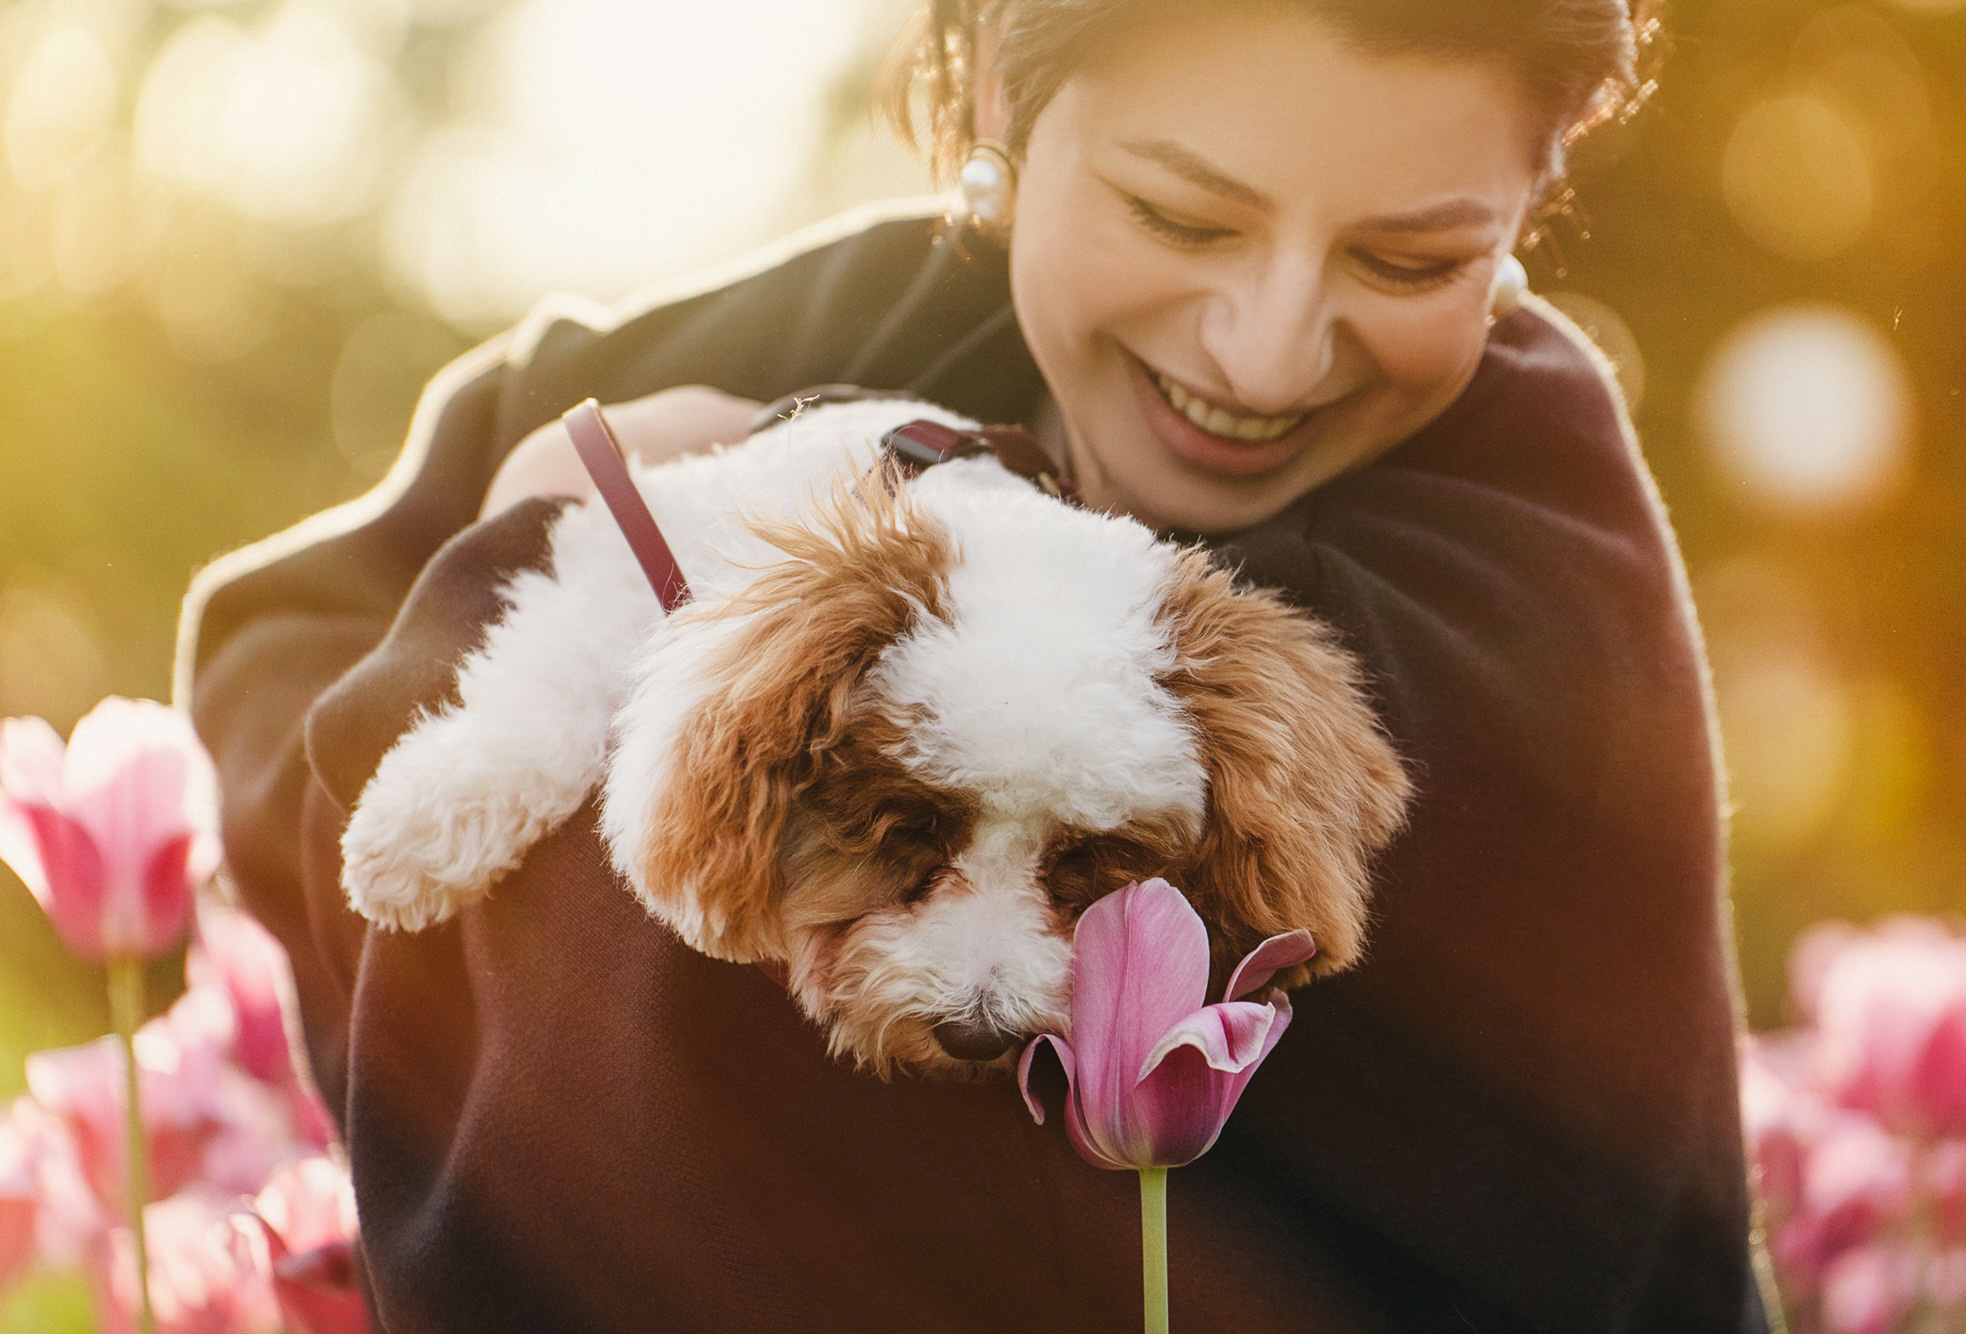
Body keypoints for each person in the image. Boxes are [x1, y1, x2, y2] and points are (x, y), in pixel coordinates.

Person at [177, 0, 1774, 1328]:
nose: (1267, 348)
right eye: (1179, 213)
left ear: (1535, 199)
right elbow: (276, 631)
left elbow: (704, 1061)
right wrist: (550, 537)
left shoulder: (1505, 595)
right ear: (1006, 94)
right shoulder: (905, 301)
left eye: (1416, 261)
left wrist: (555, 548)